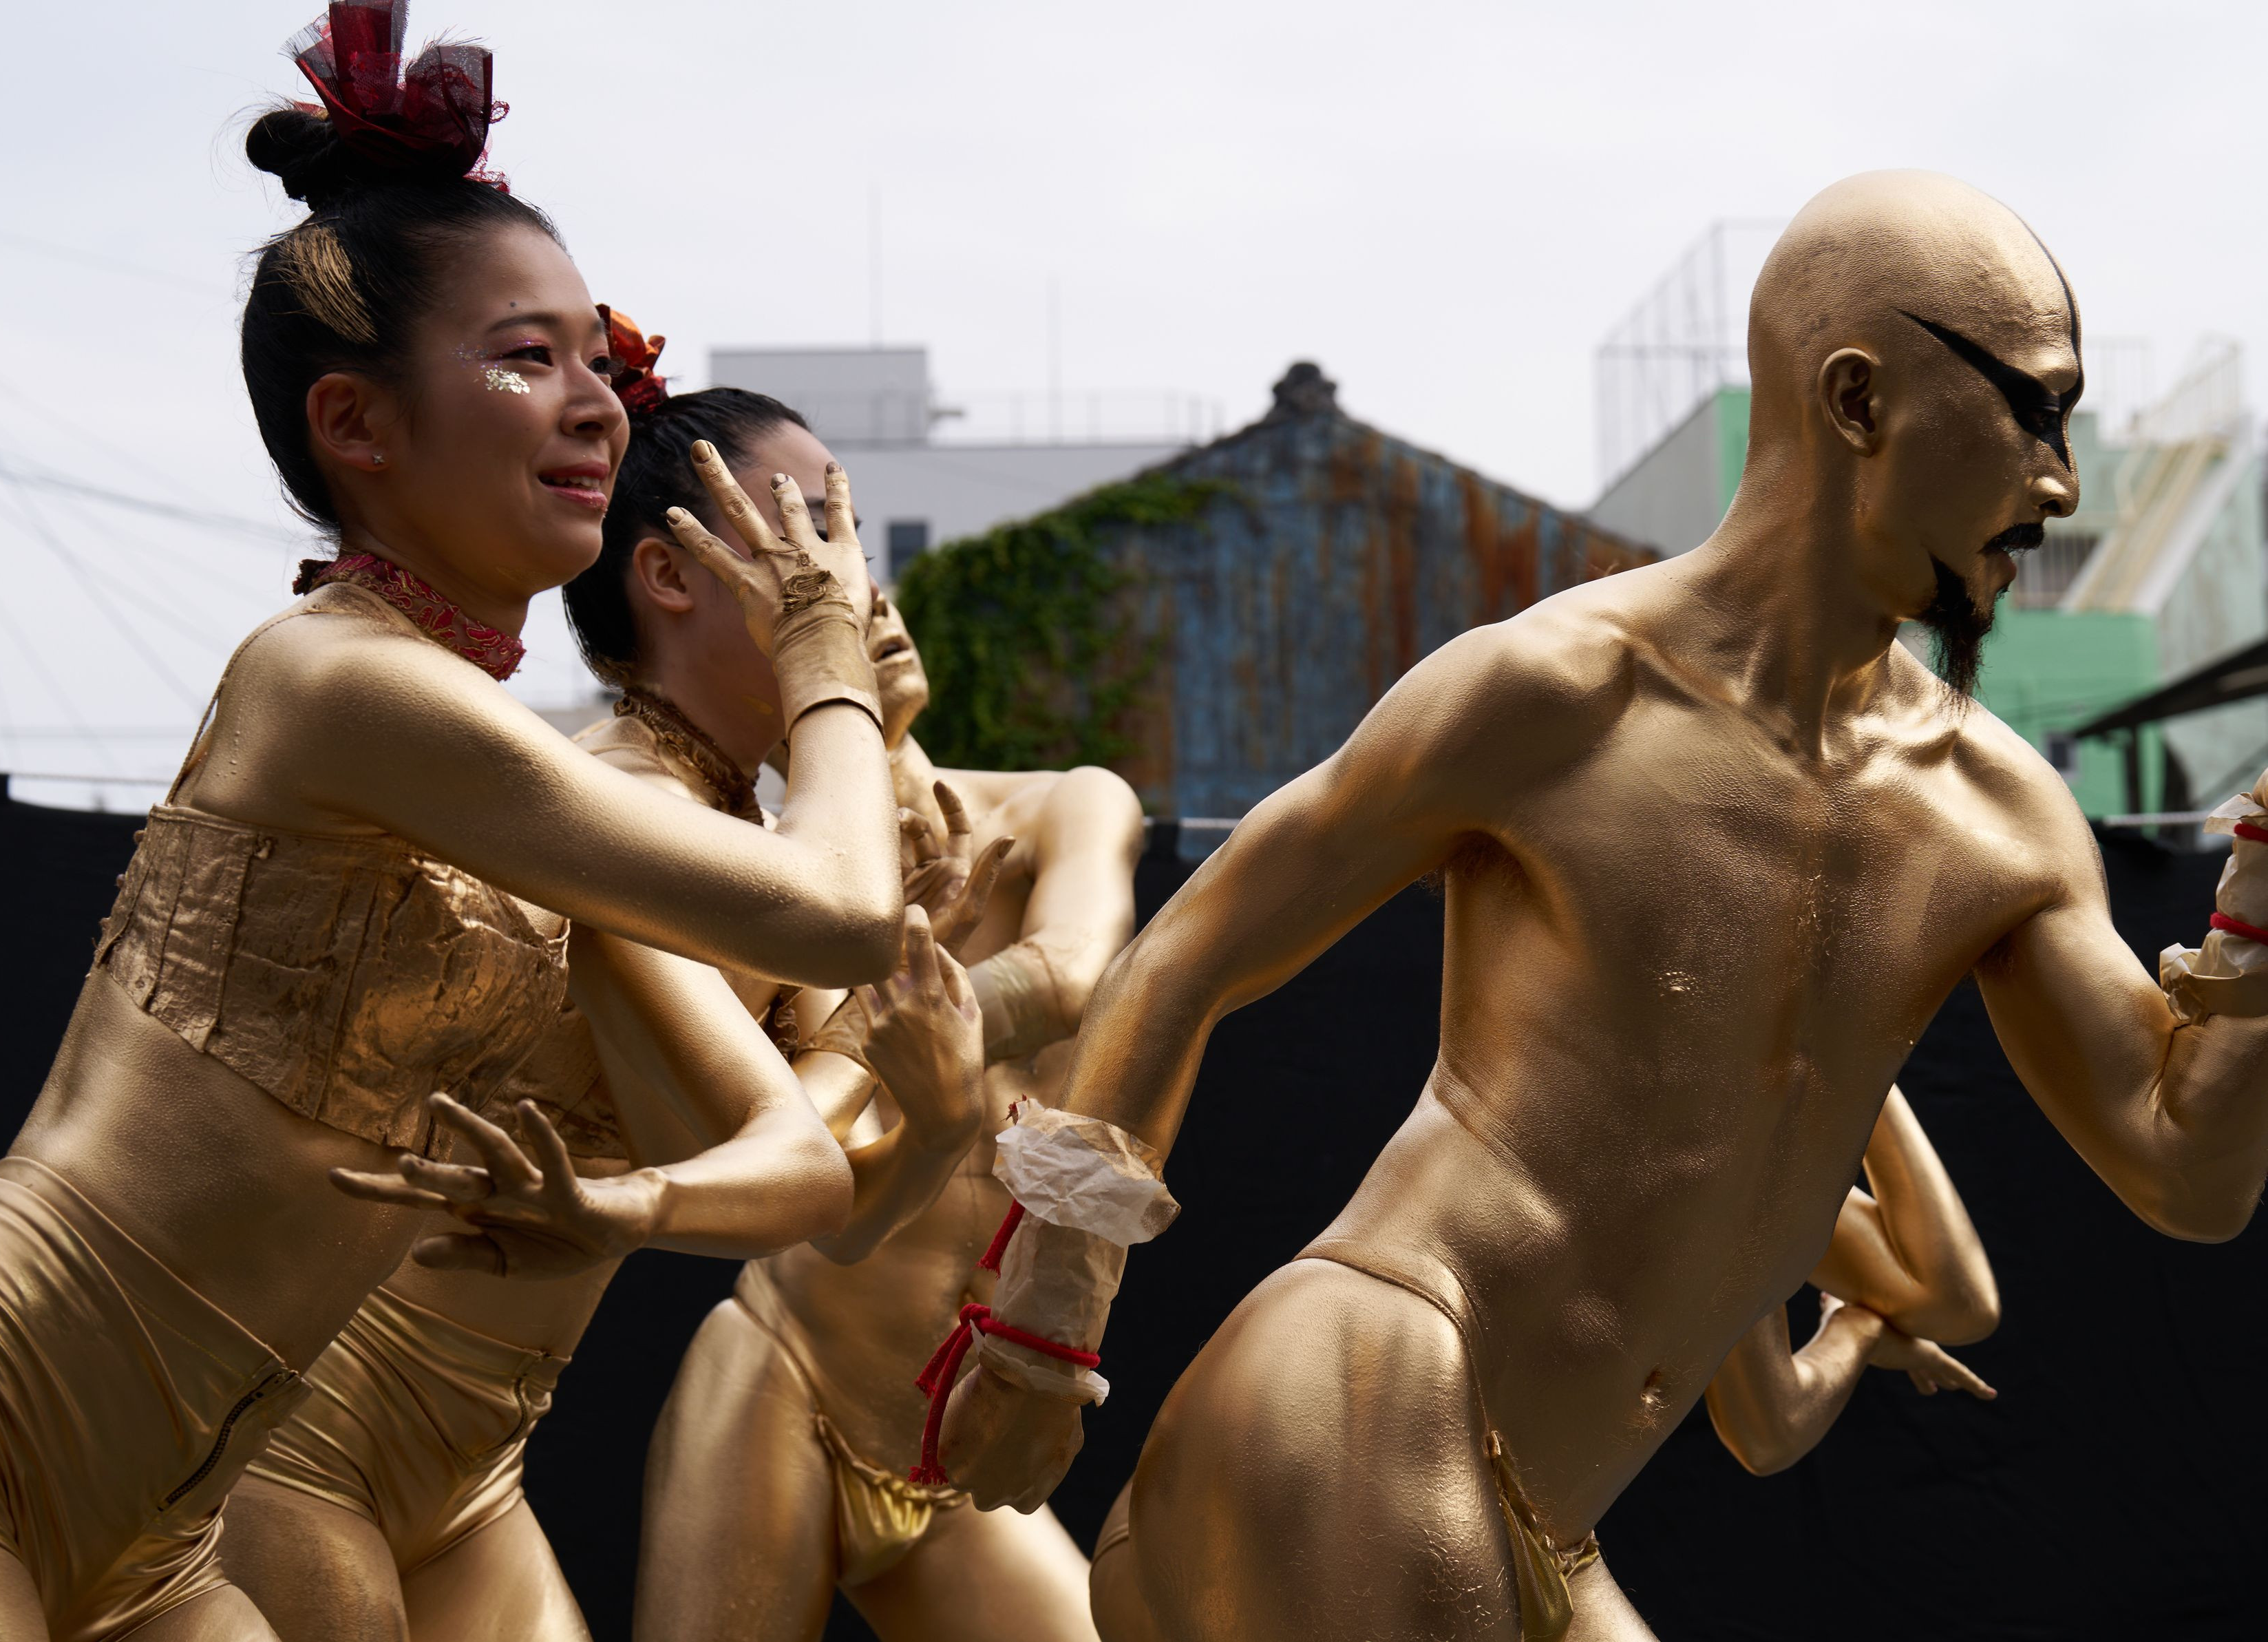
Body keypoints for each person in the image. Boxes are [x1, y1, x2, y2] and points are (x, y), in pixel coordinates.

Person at [929, 170, 2268, 1642]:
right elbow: (1185, 952)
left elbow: (2184, 1172)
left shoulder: (1999, 814)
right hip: (1367, 1395)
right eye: (2035, 412)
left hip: (1545, 1524)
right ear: (1856, 397)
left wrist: (2257, 921)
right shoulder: (1561, 692)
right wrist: (1044, 1320)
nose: (2060, 485)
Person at [0, 16, 901, 1640]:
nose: (597, 408)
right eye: (525, 359)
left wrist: (632, 1201)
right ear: (357, 427)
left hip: (162, 1533)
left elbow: (800, 1133)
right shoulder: (337, 682)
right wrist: (825, 656)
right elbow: (842, 910)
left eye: (595, 362)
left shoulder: (509, 774)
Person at [220, 378, 995, 1642]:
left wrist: (935, 1105)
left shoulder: (744, 851)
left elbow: (836, 1217)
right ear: (668, 576)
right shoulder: (624, 814)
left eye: (842, 534)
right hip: (306, 1441)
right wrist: (867, 1039)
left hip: (475, 1468)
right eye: (805, 529)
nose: (843, 577)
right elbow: (792, 1170)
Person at [630, 392, 1146, 1642]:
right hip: (783, 1381)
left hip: (946, 1443)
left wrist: (895, 1020)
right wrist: (872, 1028)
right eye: (819, 589)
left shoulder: (1065, 807)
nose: (866, 601)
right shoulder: (779, 895)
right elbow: (827, 1172)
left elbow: (1072, 975)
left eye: (862, 571)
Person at [1700, 1086, 1997, 1478]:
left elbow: (1960, 1305)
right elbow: (1769, 1442)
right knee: (1770, 1439)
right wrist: (1859, 1332)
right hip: (1673, 1187)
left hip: (1712, 1142)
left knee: (1960, 1310)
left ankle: (1861, 1061)